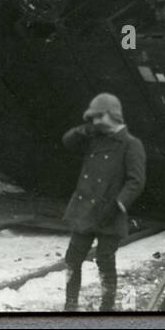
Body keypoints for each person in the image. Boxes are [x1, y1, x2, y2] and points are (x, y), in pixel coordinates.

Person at [60, 93, 146, 312]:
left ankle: (106, 309)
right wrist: (83, 129)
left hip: (110, 212)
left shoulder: (131, 144)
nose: (96, 122)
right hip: (86, 210)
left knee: (105, 261)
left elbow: (136, 181)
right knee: (73, 258)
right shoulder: (94, 138)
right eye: (93, 118)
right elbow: (67, 141)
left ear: (113, 115)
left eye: (99, 116)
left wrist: (118, 205)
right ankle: (70, 305)